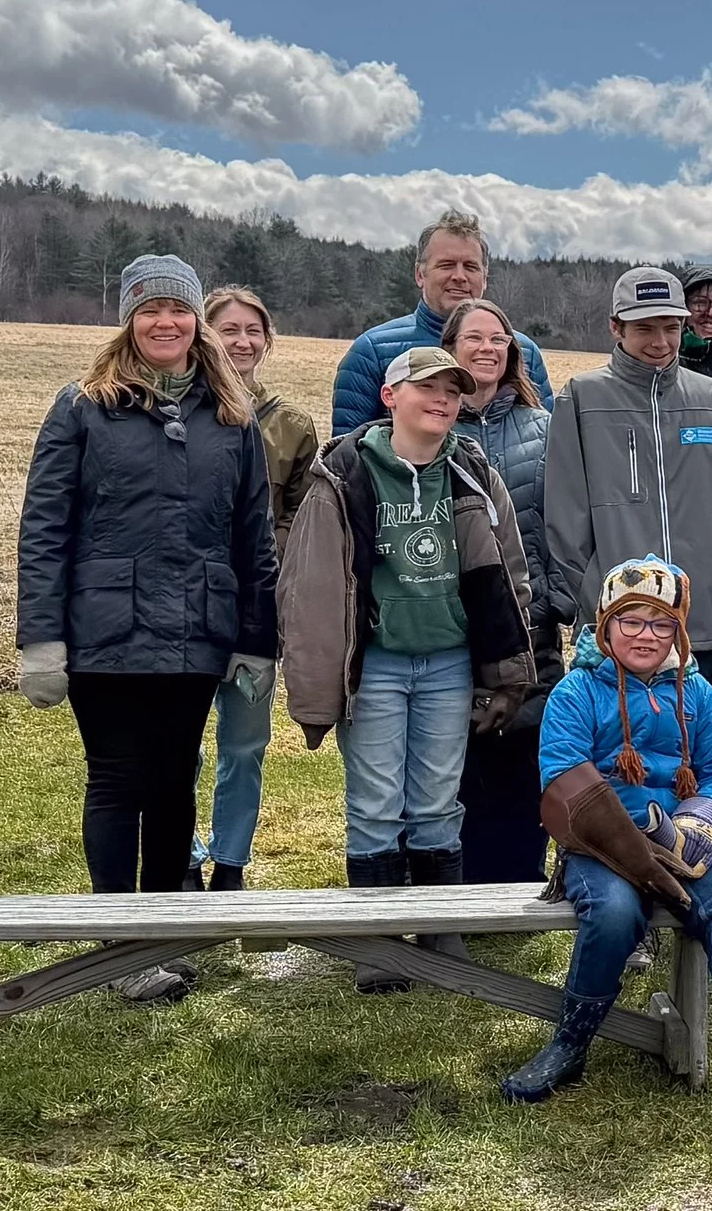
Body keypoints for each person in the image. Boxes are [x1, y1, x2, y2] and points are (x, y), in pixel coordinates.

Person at [17, 255, 277, 1004]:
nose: (166, 322)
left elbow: (253, 538)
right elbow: (44, 528)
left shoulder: (232, 416)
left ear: (197, 321)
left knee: (173, 785)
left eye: (179, 309)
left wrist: (256, 638)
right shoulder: (82, 407)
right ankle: (118, 942)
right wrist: (41, 638)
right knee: (117, 779)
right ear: (128, 320)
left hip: (198, 631)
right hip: (105, 630)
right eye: (150, 309)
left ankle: (161, 931)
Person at [507, 557, 712, 1120]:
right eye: (631, 620)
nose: (644, 635)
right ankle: (569, 1045)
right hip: (601, 848)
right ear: (605, 624)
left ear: (678, 633)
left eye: (660, 625)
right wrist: (636, 852)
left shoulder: (698, 695)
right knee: (611, 914)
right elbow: (562, 779)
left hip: (686, 845)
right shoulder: (576, 692)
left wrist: (700, 821)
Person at [281, 345, 537, 990]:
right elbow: (310, 586)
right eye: (429, 388)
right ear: (391, 396)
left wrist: (507, 661)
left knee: (436, 797)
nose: (443, 400)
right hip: (378, 664)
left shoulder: (473, 470)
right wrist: (315, 680)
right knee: (374, 802)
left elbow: (509, 570)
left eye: (453, 391)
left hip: (449, 661)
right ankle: (377, 940)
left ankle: (438, 926)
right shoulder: (343, 472)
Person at [545, 267, 712, 706]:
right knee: (623, 763)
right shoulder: (581, 400)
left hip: (705, 635)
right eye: (644, 328)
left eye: (671, 327)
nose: (660, 341)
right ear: (615, 327)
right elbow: (564, 523)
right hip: (621, 637)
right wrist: (608, 610)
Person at [184, 285, 318, 891]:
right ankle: (181, 854)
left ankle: (230, 862)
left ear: (268, 340)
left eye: (252, 331)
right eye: (228, 329)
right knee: (178, 744)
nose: (241, 341)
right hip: (185, 604)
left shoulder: (290, 425)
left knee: (244, 743)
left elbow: (302, 511)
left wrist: (270, 556)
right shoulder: (182, 412)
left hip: (257, 606)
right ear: (205, 333)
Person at [444, 298, 566, 885]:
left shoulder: (544, 428)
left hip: (530, 616)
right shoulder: (433, 424)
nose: (488, 347)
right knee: (464, 753)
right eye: (474, 338)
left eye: (499, 338)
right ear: (451, 350)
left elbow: (564, 520)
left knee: (526, 746)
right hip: (456, 619)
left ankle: (519, 877)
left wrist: (555, 594)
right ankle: (463, 881)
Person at [331, 210, 552, 435]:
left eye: (470, 266)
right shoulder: (373, 352)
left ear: (485, 277)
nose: (459, 276)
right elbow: (346, 457)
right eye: (446, 265)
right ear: (420, 274)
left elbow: (548, 440)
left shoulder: (521, 351)